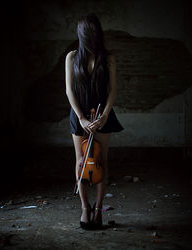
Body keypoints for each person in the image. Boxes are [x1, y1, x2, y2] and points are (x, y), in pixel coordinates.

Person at [65, 13, 124, 230]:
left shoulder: (108, 58)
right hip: (79, 115)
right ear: (82, 35)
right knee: (81, 162)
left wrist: (104, 116)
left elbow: (113, 90)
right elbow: (69, 90)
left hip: (102, 115)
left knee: (101, 160)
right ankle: (85, 208)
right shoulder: (72, 57)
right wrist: (81, 117)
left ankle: (99, 208)